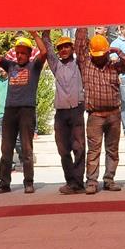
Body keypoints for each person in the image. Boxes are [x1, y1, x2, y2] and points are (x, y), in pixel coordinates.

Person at [0, 33, 48, 194]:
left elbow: (44, 52)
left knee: (27, 148)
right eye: (18, 52)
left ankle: (28, 182)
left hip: (26, 110)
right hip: (10, 111)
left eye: (23, 53)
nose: (20, 55)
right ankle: (4, 183)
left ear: (29, 54)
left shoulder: (34, 66)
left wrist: (34, 34)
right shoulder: (10, 66)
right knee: (6, 149)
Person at [74, 28, 125, 194]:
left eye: (102, 54)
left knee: (112, 150)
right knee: (94, 151)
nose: (99, 57)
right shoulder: (86, 63)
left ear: (107, 51)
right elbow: (79, 43)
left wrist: (117, 51)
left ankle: (109, 179)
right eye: (96, 54)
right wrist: (84, 23)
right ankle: (91, 182)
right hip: (95, 116)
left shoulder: (114, 65)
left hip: (114, 114)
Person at [42, 32, 86, 194]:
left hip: (76, 110)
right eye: (60, 48)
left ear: (72, 48)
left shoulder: (79, 64)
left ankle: (78, 182)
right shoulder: (56, 66)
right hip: (61, 113)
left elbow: (82, 43)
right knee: (63, 149)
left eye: (67, 46)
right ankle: (70, 181)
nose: (64, 50)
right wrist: (45, 30)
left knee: (79, 147)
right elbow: (47, 48)